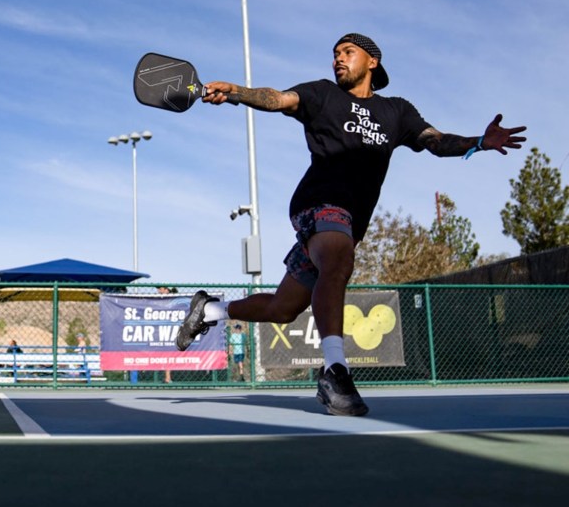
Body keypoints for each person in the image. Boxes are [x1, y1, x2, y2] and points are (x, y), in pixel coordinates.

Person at [175, 33, 526, 416]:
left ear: (372, 61)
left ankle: (210, 310)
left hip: (348, 222)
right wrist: (238, 91)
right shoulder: (323, 94)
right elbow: (277, 99)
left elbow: (435, 141)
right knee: (339, 259)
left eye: (347, 53)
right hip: (318, 203)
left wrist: (479, 141)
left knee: (282, 308)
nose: (338, 60)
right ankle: (335, 371)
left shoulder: (397, 111)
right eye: (335, 54)